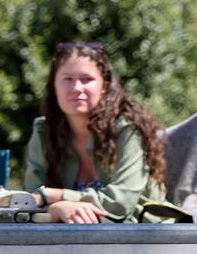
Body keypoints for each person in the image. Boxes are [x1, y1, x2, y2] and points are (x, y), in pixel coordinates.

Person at [22, 41, 169, 224]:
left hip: (146, 239)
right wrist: (56, 208)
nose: (77, 88)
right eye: (67, 79)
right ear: (54, 86)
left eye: (87, 79)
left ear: (104, 86)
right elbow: (28, 201)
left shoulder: (127, 128)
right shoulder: (43, 131)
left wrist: (55, 195)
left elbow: (121, 203)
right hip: (75, 241)